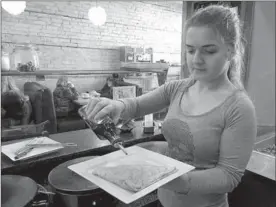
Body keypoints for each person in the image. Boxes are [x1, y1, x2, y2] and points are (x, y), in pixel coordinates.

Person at [85, 5, 257, 207]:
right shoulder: (177, 89)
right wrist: (116, 106)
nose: (196, 60)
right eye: (190, 50)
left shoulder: (239, 108)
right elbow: (136, 105)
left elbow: (228, 177)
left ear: (231, 51)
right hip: (165, 201)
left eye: (209, 51)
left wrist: (166, 177)